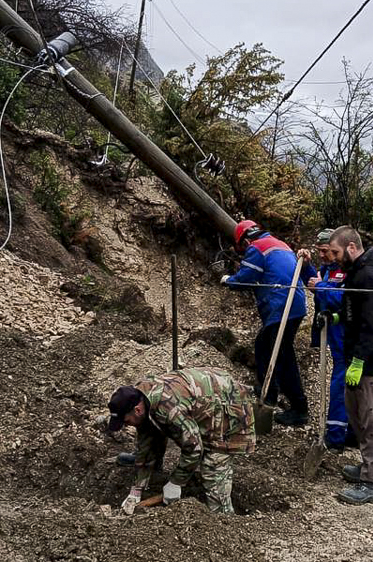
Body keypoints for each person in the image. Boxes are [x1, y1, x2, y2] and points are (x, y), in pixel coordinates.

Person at [106, 368, 256, 514]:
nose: (126, 425)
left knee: (213, 469)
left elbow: (194, 448)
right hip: (206, 401)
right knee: (154, 437)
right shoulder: (142, 396)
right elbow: (147, 439)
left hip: (229, 406)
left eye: (126, 421)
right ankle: (155, 475)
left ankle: (224, 519)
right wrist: (137, 488)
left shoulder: (169, 409)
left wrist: (176, 482)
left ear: (137, 410)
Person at [325, 225, 373, 505]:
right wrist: (338, 318)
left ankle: (372, 481)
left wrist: (359, 360)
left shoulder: (370, 276)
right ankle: (370, 465)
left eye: (336, 252)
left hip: (371, 361)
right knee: (356, 413)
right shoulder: (357, 273)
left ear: (351, 248)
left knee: (369, 417)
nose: (333, 257)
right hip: (359, 356)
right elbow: (355, 311)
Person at [221, 220, 309, 426]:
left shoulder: (256, 248)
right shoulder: (279, 244)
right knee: (263, 344)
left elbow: (246, 278)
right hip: (294, 303)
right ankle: (269, 391)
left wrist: (227, 279)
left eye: (240, 247)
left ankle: (299, 407)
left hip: (281, 305)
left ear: (244, 241)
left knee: (282, 355)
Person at [297, 228, 353, 451]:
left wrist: (320, 286)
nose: (322, 255)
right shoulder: (327, 269)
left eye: (325, 251)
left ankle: (337, 436)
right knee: (340, 386)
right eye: (318, 251)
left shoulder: (346, 270)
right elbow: (316, 286)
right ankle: (345, 432)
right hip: (334, 338)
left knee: (340, 388)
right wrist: (306, 267)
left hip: (347, 339)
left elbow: (340, 297)